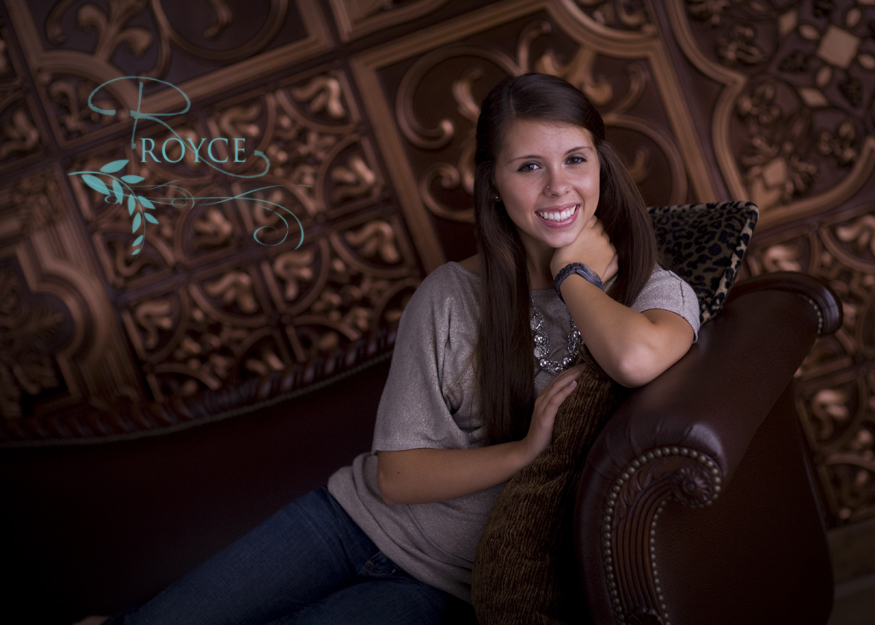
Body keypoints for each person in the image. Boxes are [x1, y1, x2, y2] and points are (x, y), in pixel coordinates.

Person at [77, 72, 699, 625]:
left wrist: (573, 277)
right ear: (494, 185)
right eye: (528, 166)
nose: (558, 187)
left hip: (444, 587)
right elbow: (396, 476)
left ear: (602, 165)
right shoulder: (452, 295)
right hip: (345, 523)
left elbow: (634, 359)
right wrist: (523, 452)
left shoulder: (654, 293)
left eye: (575, 159)